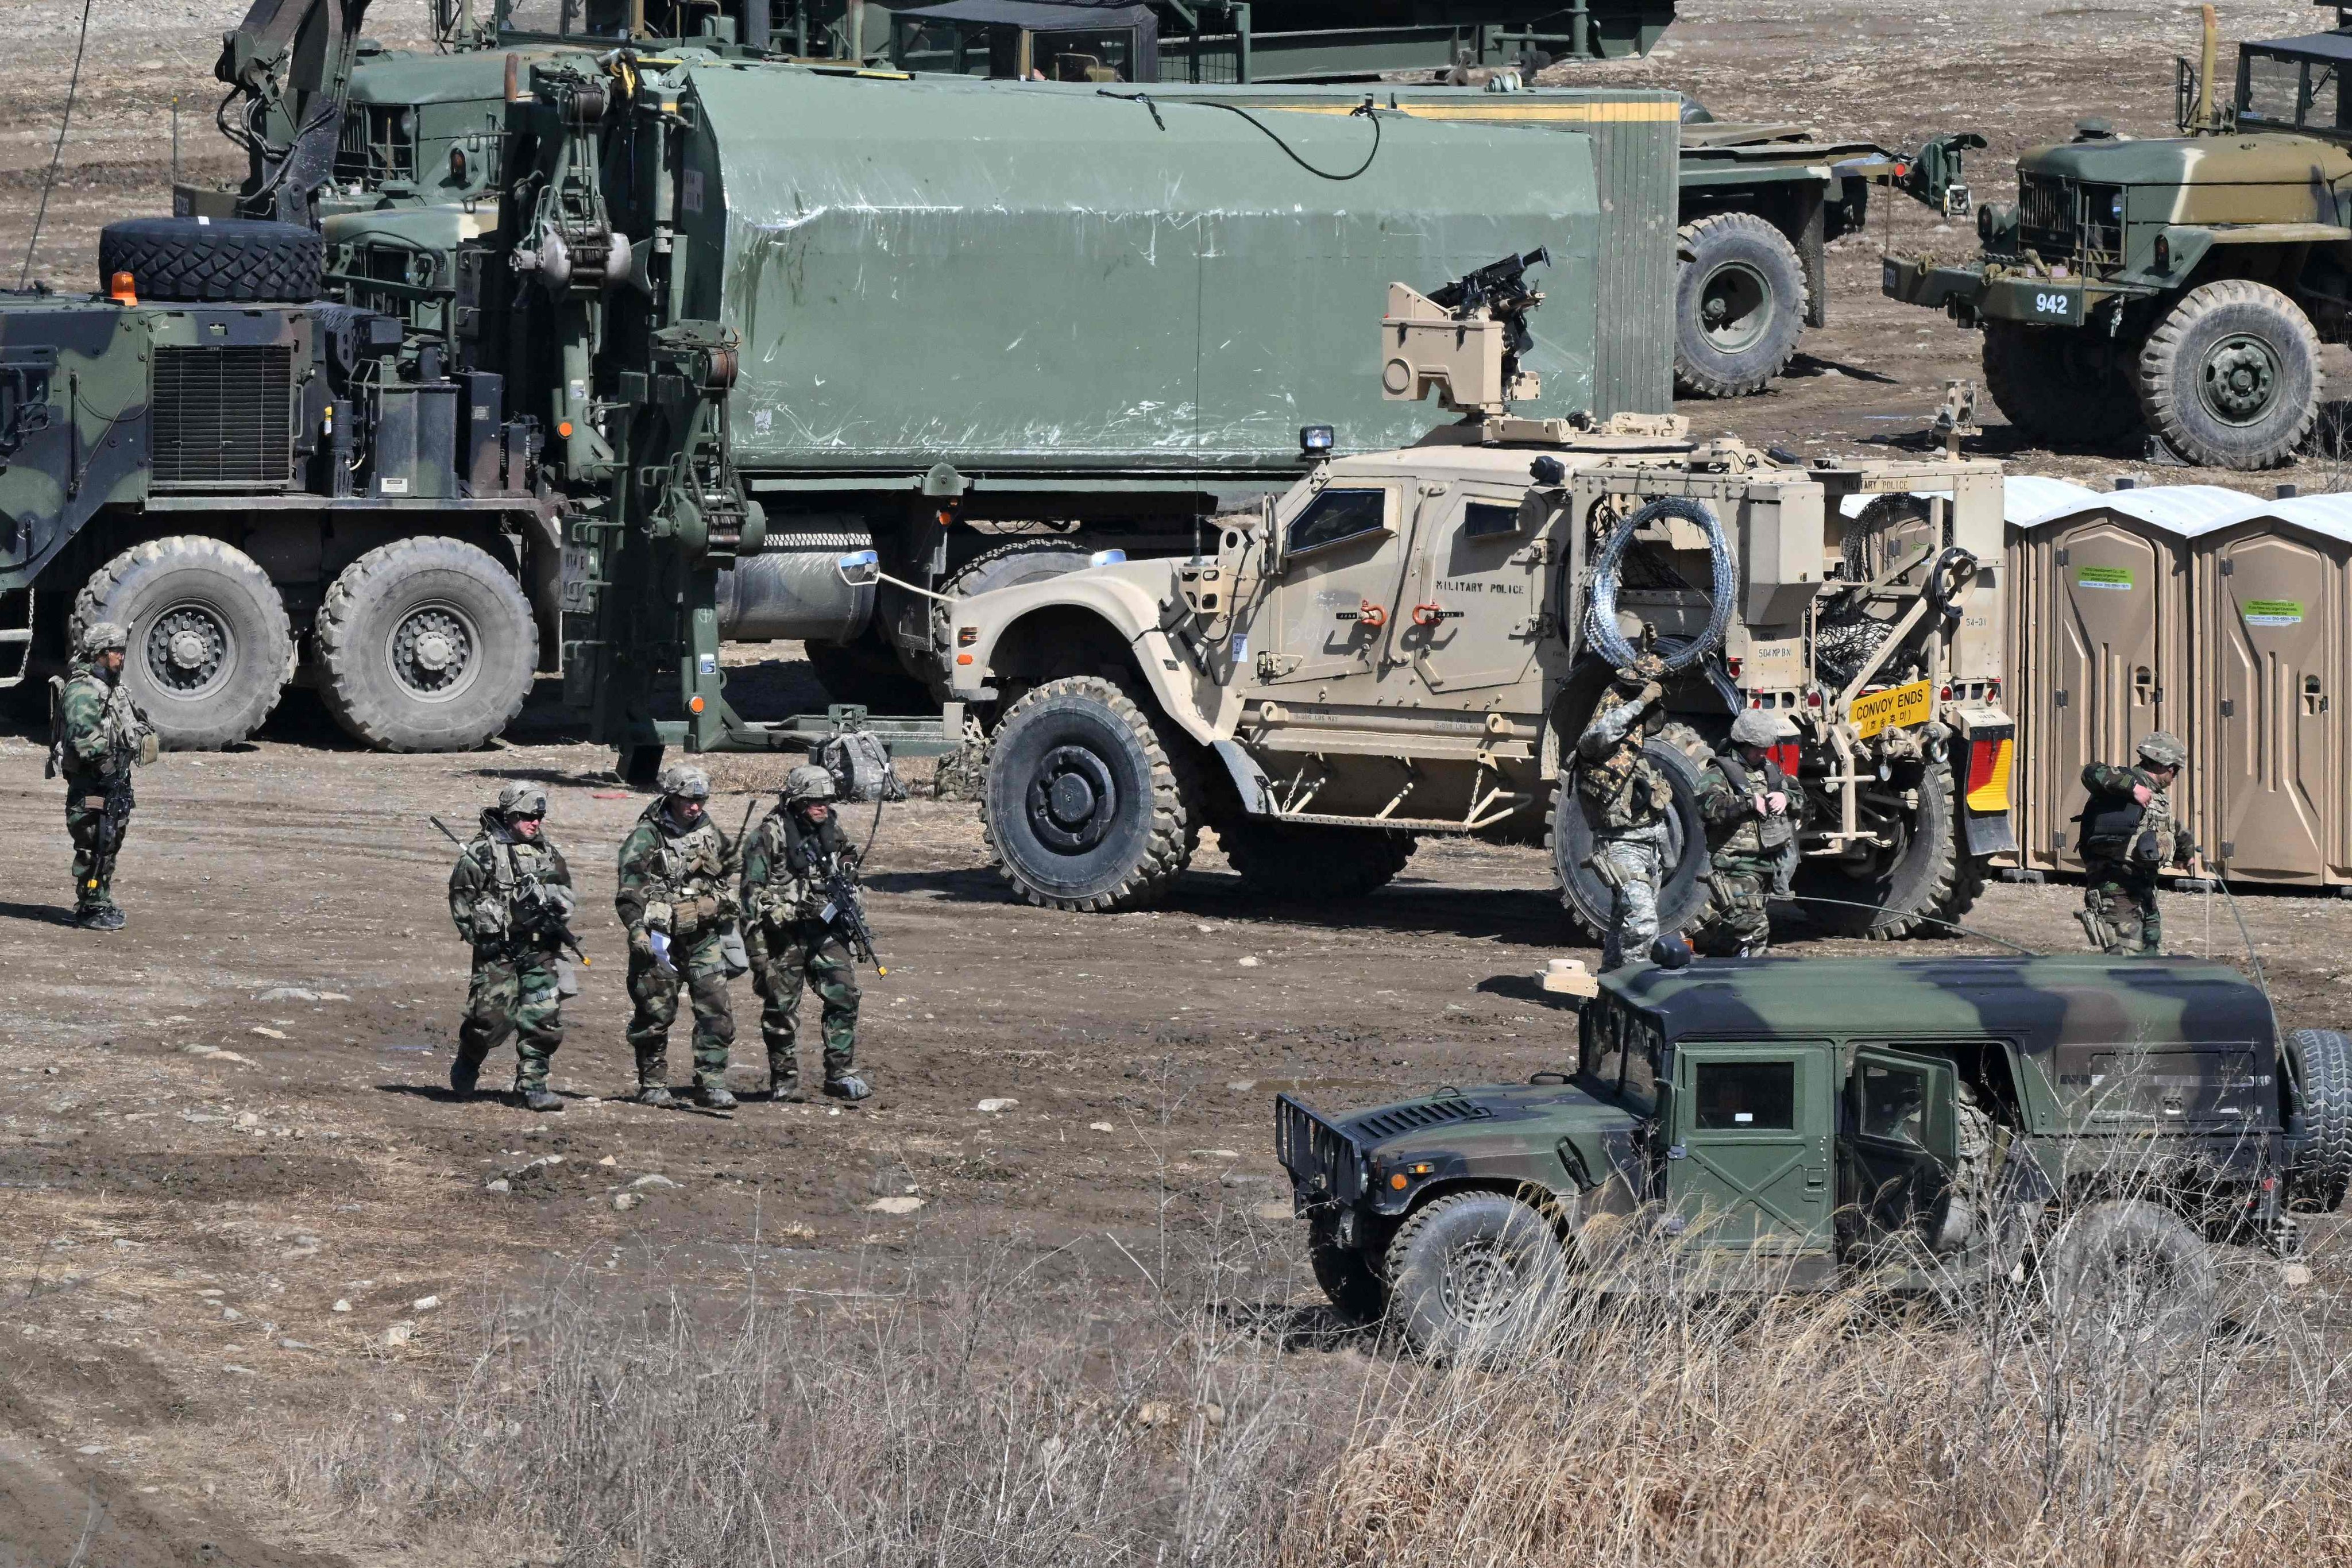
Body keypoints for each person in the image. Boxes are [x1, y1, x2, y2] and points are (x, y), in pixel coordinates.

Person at [615, 764, 747, 1109]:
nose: (696, 807)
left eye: (701, 800)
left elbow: (730, 869)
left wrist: (715, 902)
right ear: (672, 797)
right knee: (655, 1012)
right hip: (662, 940)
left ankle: (712, 1081)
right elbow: (629, 891)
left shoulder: (708, 831)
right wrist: (637, 930)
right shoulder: (647, 835)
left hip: (703, 938)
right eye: (689, 800)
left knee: (716, 1009)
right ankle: (653, 1083)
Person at [741, 765, 871, 1103]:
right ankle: (784, 1080)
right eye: (815, 800)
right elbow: (750, 898)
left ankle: (840, 1072)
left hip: (825, 930)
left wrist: (846, 869)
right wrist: (786, 914)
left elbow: (845, 853)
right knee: (781, 1010)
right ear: (797, 801)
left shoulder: (829, 825)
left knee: (845, 994)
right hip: (785, 934)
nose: (822, 807)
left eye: (827, 800)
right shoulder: (768, 836)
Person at [446, 782, 578, 1112]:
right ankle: (469, 1059)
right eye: (527, 817)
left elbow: (564, 890)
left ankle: (532, 1086)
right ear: (509, 816)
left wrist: (556, 910)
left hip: (539, 950)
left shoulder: (547, 853)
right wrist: (486, 940)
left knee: (543, 1018)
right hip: (499, 951)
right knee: (490, 1021)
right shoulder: (481, 854)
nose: (535, 823)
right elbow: (462, 902)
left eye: (539, 817)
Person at [1575, 615, 1675, 970]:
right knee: (1643, 923)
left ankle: (1612, 990)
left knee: (1623, 925)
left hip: (1648, 843)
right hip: (1620, 843)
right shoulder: (1604, 733)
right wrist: (1637, 703)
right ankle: (1635, 986)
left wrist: (1647, 650)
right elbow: (1594, 738)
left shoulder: (1635, 746)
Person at [48, 621, 155, 930]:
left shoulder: (111, 686)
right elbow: (86, 743)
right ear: (99, 654)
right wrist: (108, 774)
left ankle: (101, 900)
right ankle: (90, 906)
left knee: (110, 841)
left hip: (112, 781)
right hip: (92, 783)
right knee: (94, 843)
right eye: (116, 652)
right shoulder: (82, 691)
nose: (122, 657)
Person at [2075, 731, 2199, 956]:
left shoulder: (2156, 796)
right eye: (2175, 769)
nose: (2174, 775)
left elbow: (2167, 827)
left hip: (2144, 891)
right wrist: (2131, 787)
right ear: (2164, 765)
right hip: (2115, 889)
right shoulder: (2124, 783)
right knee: (2125, 959)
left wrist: (2185, 851)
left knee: (2150, 959)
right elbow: (2091, 772)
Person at [1692, 709, 1800, 957]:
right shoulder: (1720, 772)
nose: (1761, 754)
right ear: (1741, 744)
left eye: (1765, 749)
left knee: (1736, 932)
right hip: (1736, 864)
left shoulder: (1770, 771)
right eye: (1756, 748)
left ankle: (1714, 968)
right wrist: (1749, 804)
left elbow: (1802, 800)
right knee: (1751, 928)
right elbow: (1709, 807)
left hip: (1769, 865)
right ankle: (1752, 974)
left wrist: (1786, 798)